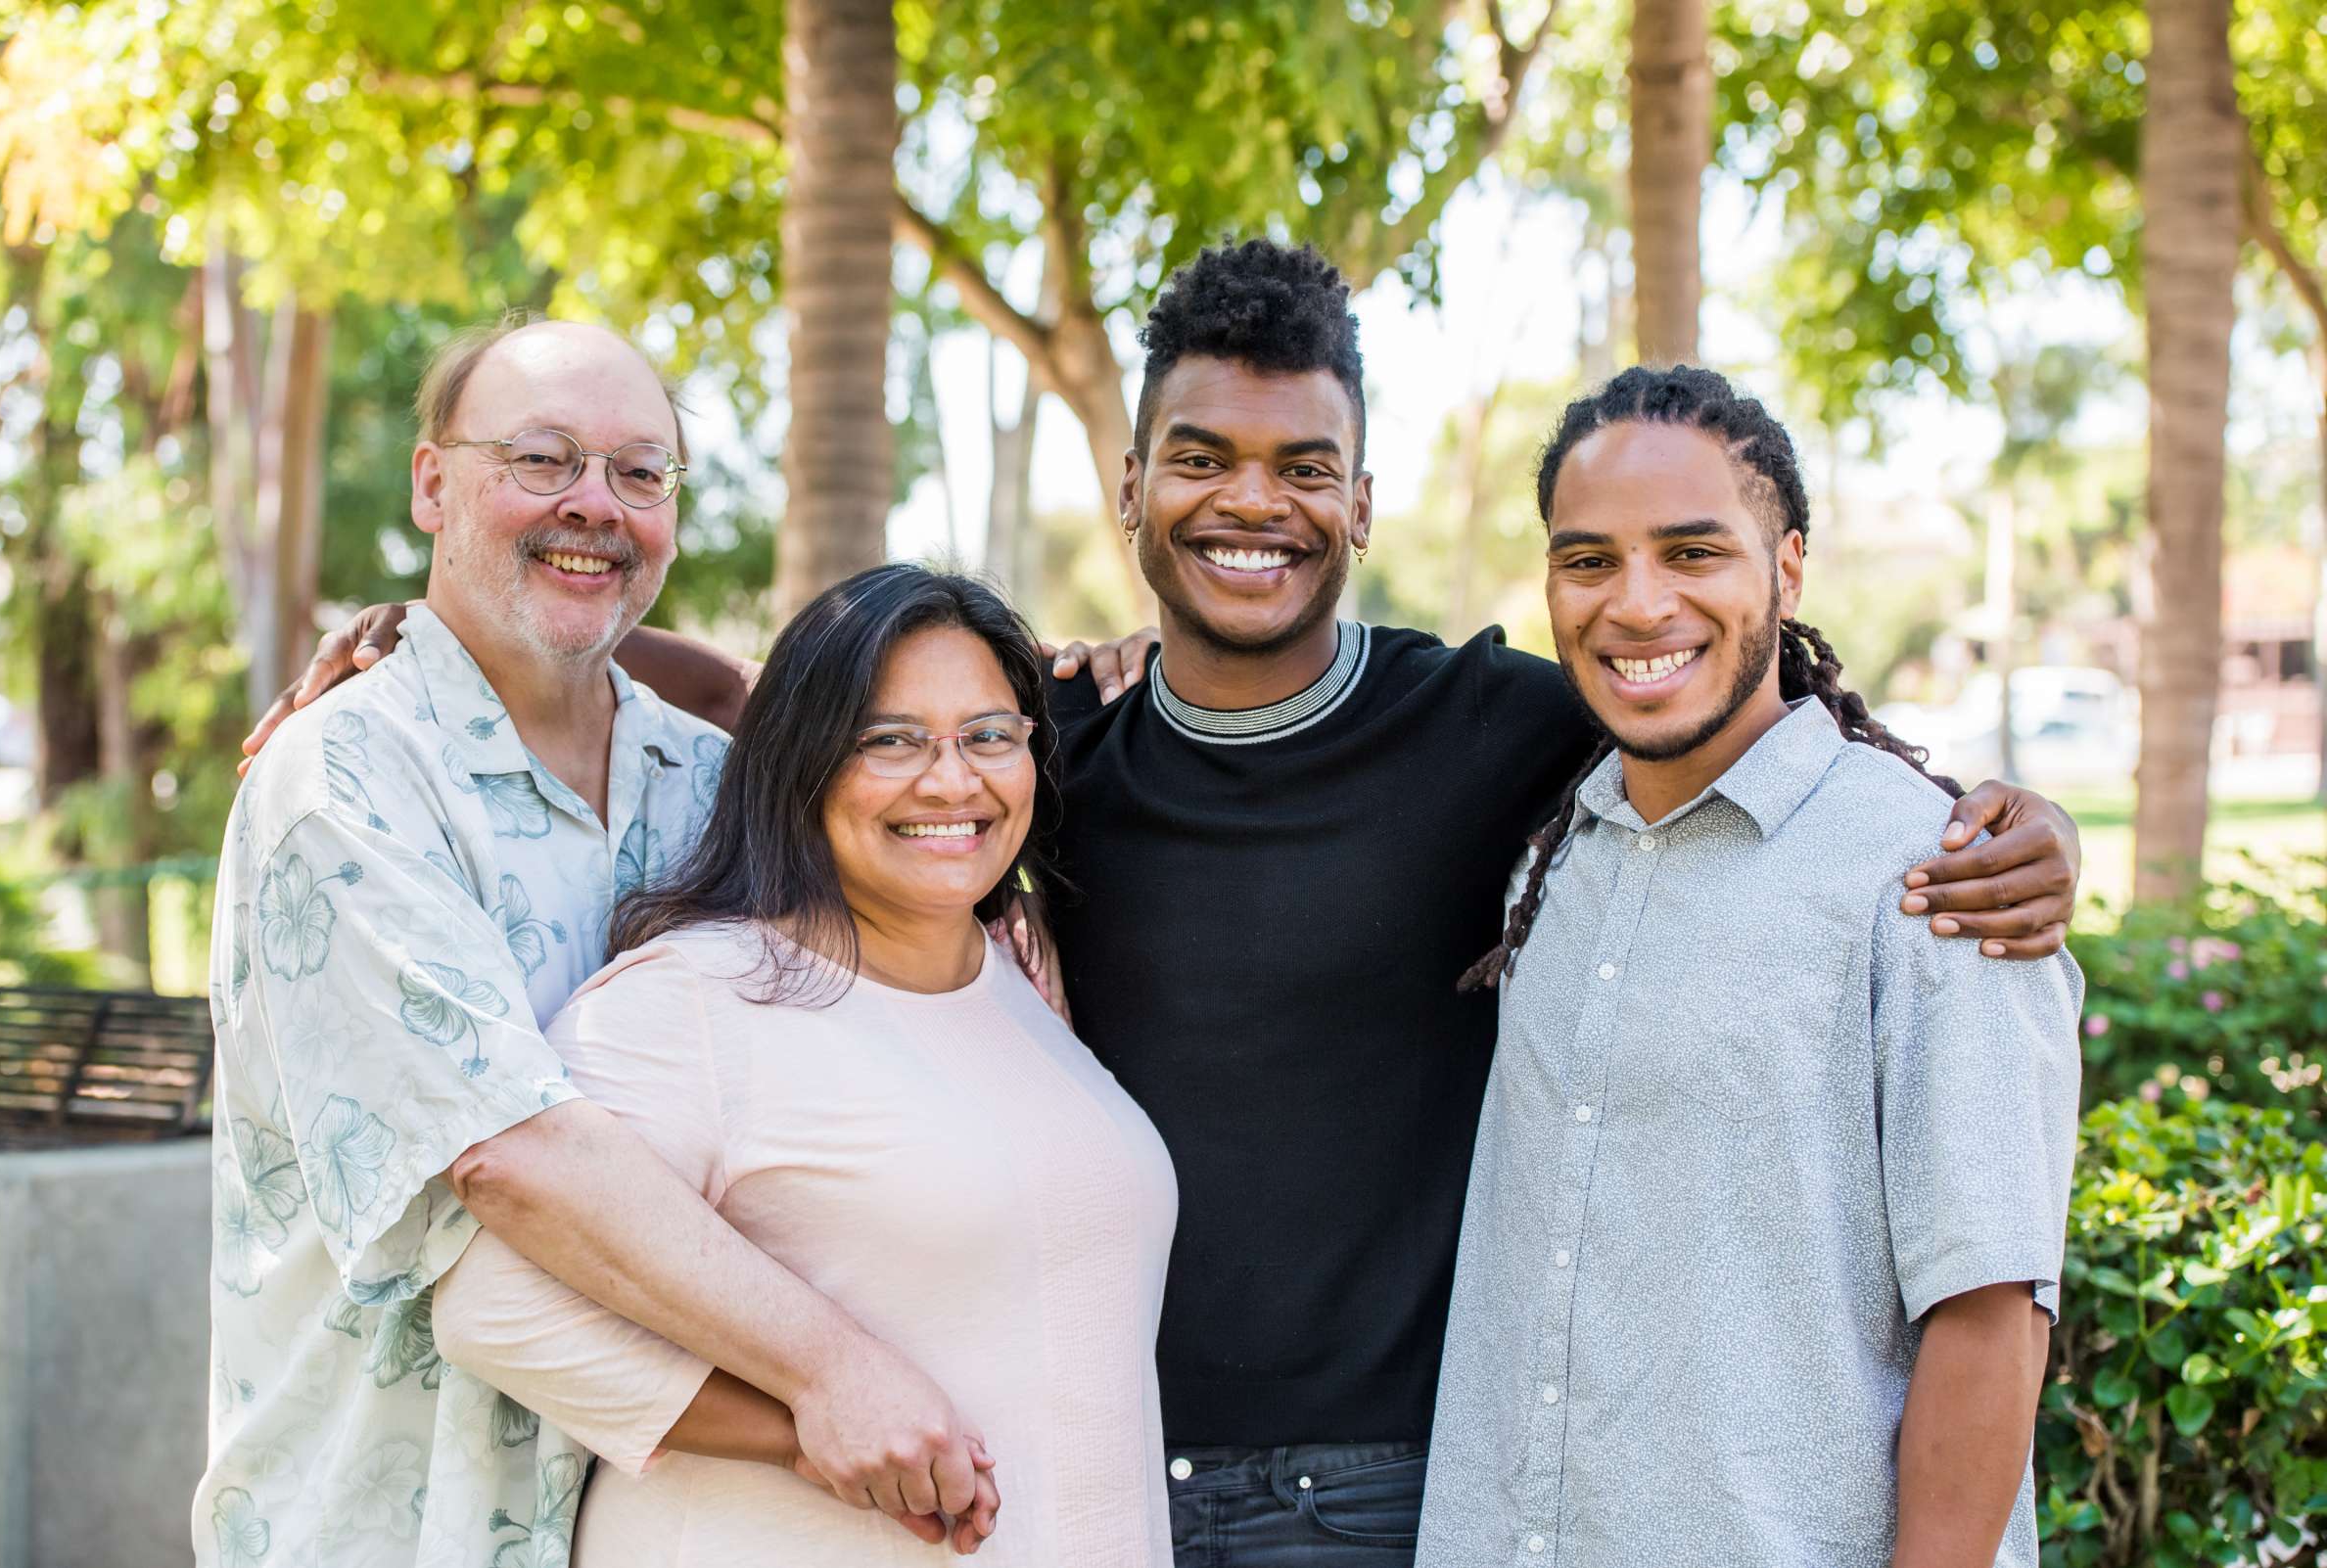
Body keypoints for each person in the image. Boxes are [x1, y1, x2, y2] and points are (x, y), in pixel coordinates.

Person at [255, 242, 2084, 1568]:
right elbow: (850, 718)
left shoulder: (1497, 722)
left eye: (1303, 468)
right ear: (1131, 486)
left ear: (1363, 500)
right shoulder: (1049, 748)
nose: (1251, 506)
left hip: (1389, 1488)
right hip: (1099, 1477)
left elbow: (1725, 709)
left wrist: (1993, 821)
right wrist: (444, 637)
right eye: (1201, 458)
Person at [198, 319, 999, 1568]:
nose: (595, 507)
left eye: (640, 474)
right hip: (391, 1524)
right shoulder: (344, 777)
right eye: (543, 459)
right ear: (430, 483)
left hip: (661, 1529)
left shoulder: (714, 785)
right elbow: (509, 1159)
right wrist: (833, 1380)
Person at [1417, 366, 2080, 1568]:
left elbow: (1989, 1320)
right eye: (1588, 560)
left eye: (1692, 552)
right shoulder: (1554, 858)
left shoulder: (1936, 881)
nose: (1637, 603)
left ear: (1787, 566)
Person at [428, 564, 1177, 1566]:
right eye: (890, 740)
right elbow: (494, 1307)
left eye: (990, 735)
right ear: (802, 764)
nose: (953, 780)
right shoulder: (696, 998)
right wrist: (810, 1426)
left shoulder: (1018, 987)